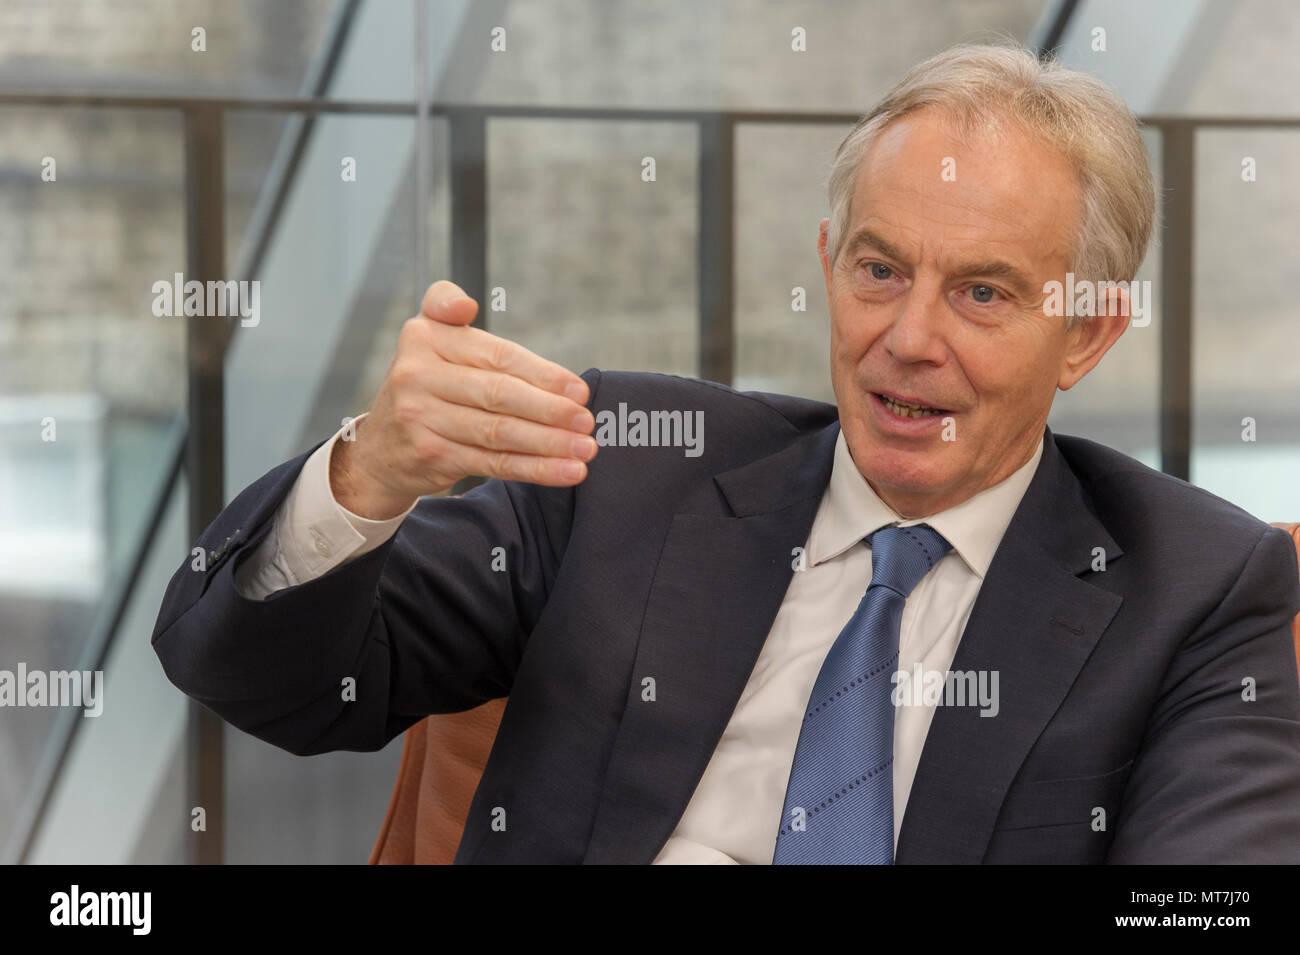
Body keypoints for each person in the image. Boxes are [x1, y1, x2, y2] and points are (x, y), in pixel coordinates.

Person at [151, 42, 1300, 864]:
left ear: (1087, 331)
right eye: (879, 269)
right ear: (828, 257)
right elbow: (270, 683)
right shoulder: (628, 473)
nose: (907, 339)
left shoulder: (1196, 588)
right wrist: (370, 476)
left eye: (983, 293)